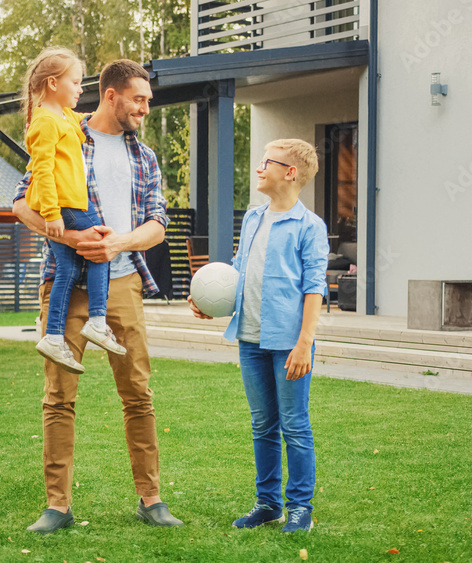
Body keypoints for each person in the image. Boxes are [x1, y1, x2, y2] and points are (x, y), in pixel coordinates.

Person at [12, 59, 183, 533]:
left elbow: (157, 225)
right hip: (65, 282)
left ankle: (151, 499)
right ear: (111, 95)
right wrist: (70, 238)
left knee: (138, 394)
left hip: (123, 283)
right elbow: (22, 200)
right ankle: (57, 507)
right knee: (58, 397)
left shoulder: (145, 158)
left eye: (147, 101)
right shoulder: (63, 129)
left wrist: (116, 243)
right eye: (139, 99)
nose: (145, 109)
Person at [189, 139, 329, 533]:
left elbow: (314, 288)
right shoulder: (252, 218)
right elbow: (239, 273)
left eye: (267, 162)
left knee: (295, 425)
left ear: (291, 172)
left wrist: (305, 343)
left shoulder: (309, 227)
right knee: (263, 424)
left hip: (289, 344)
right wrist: (212, 302)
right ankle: (267, 504)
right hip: (250, 339)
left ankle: (300, 507)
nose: (258, 168)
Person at [21, 47, 125, 373]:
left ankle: (53, 337)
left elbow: (83, 121)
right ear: (53, 83)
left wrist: (104, 111)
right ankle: (97, 319)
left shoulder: (63, 116)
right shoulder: (44, 123)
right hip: (67, 205)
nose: (81, 89)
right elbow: (42, 169)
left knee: (65, 269)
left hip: (66, 204)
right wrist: (51, 214)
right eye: (76, 82)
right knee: (101, 247)